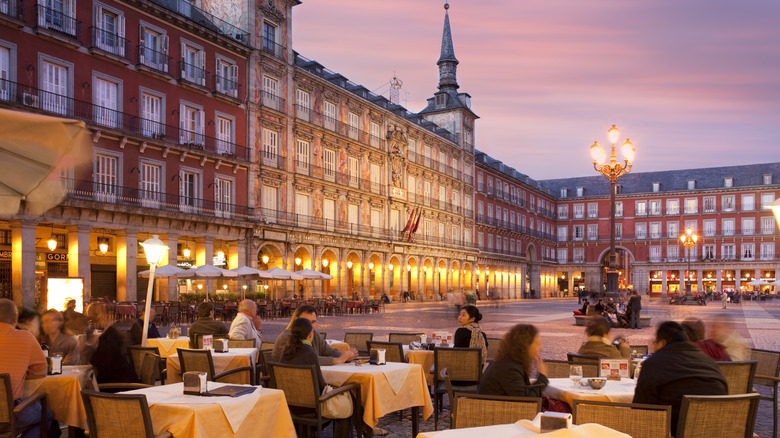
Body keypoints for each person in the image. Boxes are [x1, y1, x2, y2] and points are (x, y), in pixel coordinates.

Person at [633, 321, 727, 433]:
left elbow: (640, 410)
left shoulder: (654, 363)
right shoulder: (709, 362)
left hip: (673, 432)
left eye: (655, 343)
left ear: (662, 343)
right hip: (715, 430)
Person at [279, 317, 354, 438]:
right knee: (346, 404)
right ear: (310, 334)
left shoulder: (285, 352)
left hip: (291, 407)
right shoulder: (309, 353)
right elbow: (320, 386)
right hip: (312, 410)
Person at [0, 299, 55, 438]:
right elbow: (41, 371)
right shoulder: (25, 337)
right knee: (47, 414)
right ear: (16, 318)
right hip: (11, 413)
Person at [272, 305, 357, 365]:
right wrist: (337, 360)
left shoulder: (315, 335)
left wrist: (345, 356)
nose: (310, 326)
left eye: (313, 322)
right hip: (285, 384)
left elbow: (328, 351)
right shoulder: (288, 336)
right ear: (296, 320)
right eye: (306, 322)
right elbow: (304, 358)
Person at [479, 324, 548, 397]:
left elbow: (522, 392)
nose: (541, 348)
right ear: (525, 345)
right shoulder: (509, 368)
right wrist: (542, 376)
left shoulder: (509, 362)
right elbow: (526, 399)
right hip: (496, 407)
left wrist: (539, 392)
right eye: (537, 344)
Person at [86, 302, 140, 384]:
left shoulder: (108, 338)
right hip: (123, 380)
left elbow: (102, 364)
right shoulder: (111, 332)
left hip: (118, 386)